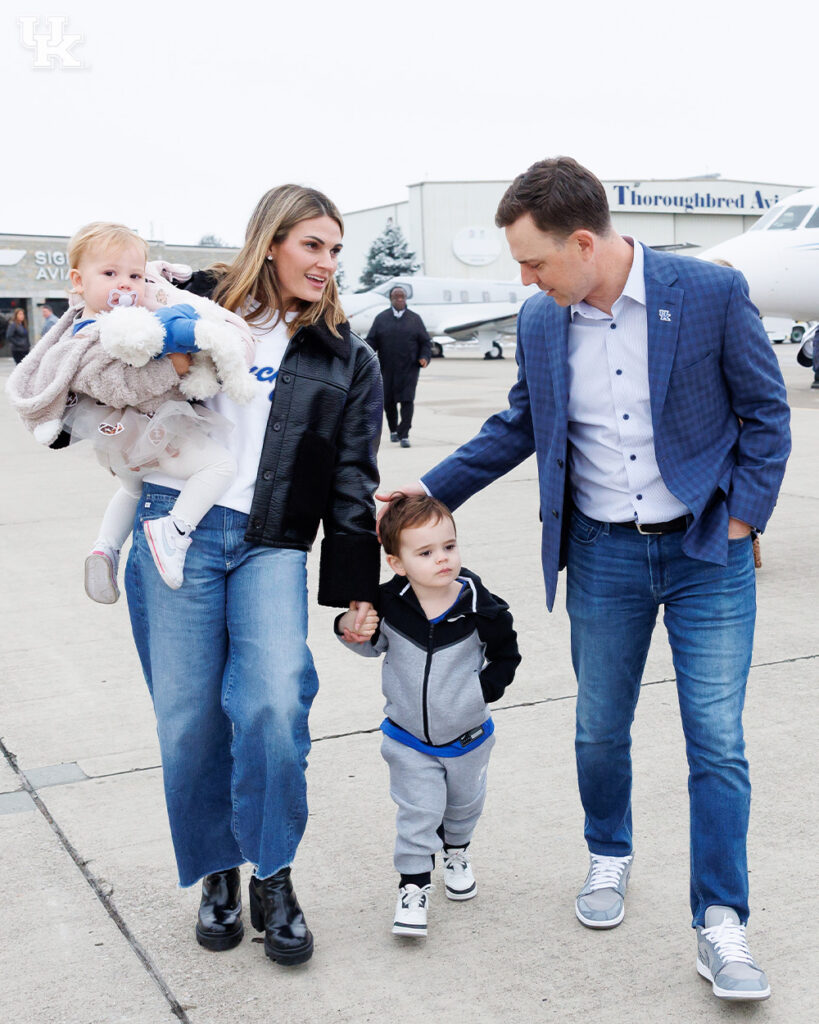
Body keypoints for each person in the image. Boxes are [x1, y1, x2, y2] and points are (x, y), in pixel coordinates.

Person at [377, 157, 790, 1000]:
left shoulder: (706, 292)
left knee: (716, 742)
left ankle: (721, 923)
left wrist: (743, 517)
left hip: (707, 552)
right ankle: (609, 854)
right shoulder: (542, 318)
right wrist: (434, 488)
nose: (524, 278)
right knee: (600, 727)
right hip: (601, 554)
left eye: (533, 262)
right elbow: (520, 423)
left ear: (583, 241)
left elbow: (764, 412)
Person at [124, 185, 382, 966]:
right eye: (313, 245)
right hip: (178, 531)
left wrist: (353, 592)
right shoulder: (192, 308)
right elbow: (110, 365)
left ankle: (272, 874)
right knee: (189, 720)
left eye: (335, 250)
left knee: (272, 704)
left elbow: (352, 480)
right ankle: (215, 875)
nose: (326, 263)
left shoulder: (348, 356)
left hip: (273, 542)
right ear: (271, 243)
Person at [5, 221, 255, 602]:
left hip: (124, 447)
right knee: (219, 467)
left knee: (131, 490)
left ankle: (105, 547)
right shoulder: (88, 334)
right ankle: (175, 531)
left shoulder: (129, 321)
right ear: (78, 281)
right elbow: (111, 385)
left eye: (135, 275)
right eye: (110, 273)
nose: (125, 284)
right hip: (148, 434)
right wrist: (174, 368)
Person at [336, 493, 519, 937]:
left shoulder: (481, 607)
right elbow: (369, 644)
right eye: (426, 552)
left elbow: (506, 655)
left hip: (467, 737)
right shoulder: (389, 603)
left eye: (449, 547)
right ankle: (413, 886)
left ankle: (456, 849)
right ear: (397, 563)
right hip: (407, 738)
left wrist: (482, 692)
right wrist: (347, 625)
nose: (442, 559)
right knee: (418, 813)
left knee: (462, 807)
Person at [367, 285, 431, 447]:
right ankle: (394, 430)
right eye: (397, 297)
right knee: (389, 402)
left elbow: (425, 342)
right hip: (387, 368)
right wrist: (365, 356)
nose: (400, 299)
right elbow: (371, 341)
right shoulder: (381, 318)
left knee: (407, 400)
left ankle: (404, 434)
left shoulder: (415, 319)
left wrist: (424, 357)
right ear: (391, 299)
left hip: (409, 368)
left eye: (402, 297)